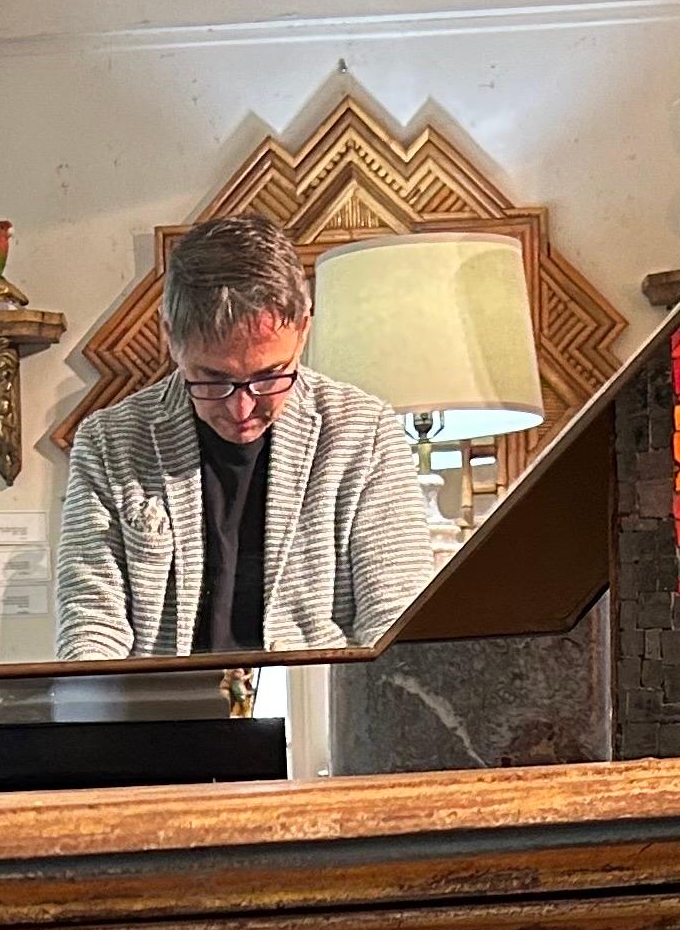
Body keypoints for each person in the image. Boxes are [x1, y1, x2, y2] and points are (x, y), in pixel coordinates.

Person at [53, 215, 435, 661]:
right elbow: (90, 624)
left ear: (304, 330)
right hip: (166, 712)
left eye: (270, 376)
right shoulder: (110, 441)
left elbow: (395, 624)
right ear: (171, 338)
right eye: (212, 379)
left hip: (319, 712)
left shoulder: (364, 433)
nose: (242, 409)